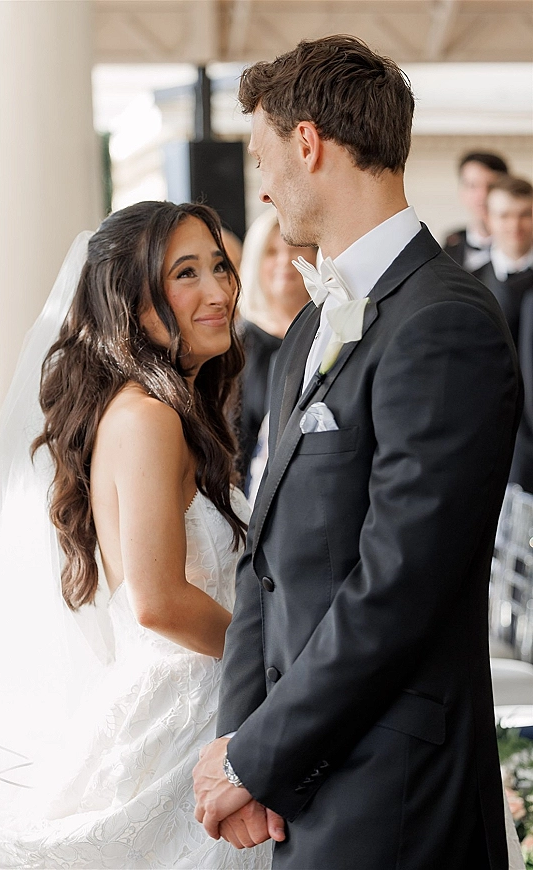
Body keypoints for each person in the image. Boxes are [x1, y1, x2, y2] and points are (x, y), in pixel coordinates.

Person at [193, 35, 525, 870]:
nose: (262, 185)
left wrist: (253, 758)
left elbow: (399, 585)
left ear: (308, 143)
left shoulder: (445, 322)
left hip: (395, 793)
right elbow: (262, 560)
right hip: (302, 785)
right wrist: (243, 737)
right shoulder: (308, 322)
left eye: (264, 155)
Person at [0, 201, 271, 869]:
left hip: (200, 698)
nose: (218, 290)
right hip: (185, 711)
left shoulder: (165, 410)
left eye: (219, 266)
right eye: (186, 274)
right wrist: (276, 661)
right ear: (131, 300)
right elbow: (156, 600)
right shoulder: (147, 417)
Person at [237, 210, 315, 485]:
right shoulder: (238, 346)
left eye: (295, 249)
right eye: (271, 252)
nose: (285, 260)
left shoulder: (329, 332)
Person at [473, 176, 533, 493]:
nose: (515, 225)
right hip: (485, 440)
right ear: (489, 219)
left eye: (525, 214)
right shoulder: (467, 284)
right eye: (505, 215)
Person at [444, 151, 509, 271]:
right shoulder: (451, 243)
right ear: (461, 191)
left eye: (491, 186)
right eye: (472, 186)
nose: (482, 195)